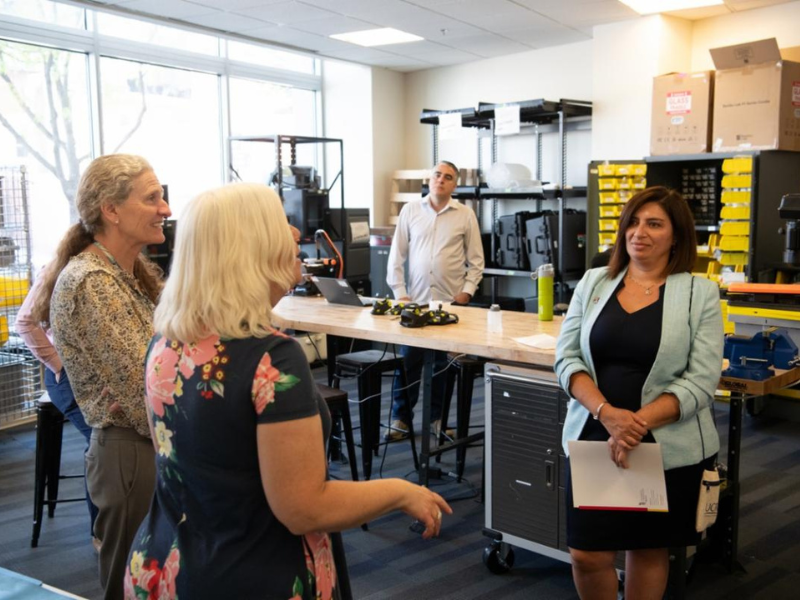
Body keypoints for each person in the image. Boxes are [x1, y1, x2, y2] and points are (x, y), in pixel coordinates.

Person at [123, 183, 451, 600]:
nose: (294, 234)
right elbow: (304, 507)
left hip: (168, 566)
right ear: (253, 247)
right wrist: (403, 491)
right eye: (281, 224)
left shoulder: (165, 342)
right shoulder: (271, 359)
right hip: (254, 574)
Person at [554, 186, 723, 600]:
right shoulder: (595, 282)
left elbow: (701, 380)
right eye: (632, 221)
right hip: (596, 433)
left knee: (647, 550)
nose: (639, 232)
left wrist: (635, 424)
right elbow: (566, 358)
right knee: (586, 553)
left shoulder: (699, 294)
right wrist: (609, 414)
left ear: (676, 236)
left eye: (654, 224)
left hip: (667, 443)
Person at [46, 154, 171, 600]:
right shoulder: (91, 282)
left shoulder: (127, 275)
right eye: (152, 198)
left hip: (146, 445)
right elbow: (145, 394)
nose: (166, 209)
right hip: (132, 451)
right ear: (110, 210)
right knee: (132, 585)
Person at [385, 160, 484, 441]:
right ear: (430, 179)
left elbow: (476, 260)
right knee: (408, 362)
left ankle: (437, 419)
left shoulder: (465, 215)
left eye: (448, 177)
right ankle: (401, 419)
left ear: (454, 185)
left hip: (448, 304)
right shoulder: (410, 210)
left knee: (442, 366)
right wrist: (399, 293)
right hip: (413, 302)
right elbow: (397, 255)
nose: (441, 180)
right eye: (437, 175)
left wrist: (468, 290)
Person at [17, 272, 99, 543]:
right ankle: (101, 533)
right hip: (66, 373)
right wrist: (57, 363)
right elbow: (25, 322)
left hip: (100, 372)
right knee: (102, 439)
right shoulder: (61, 267)